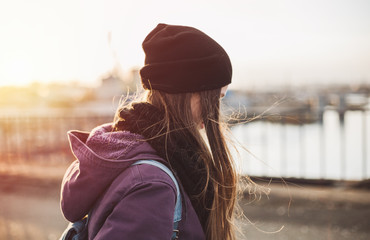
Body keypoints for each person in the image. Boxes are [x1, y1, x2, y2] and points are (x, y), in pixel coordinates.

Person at [60, 23, 237, 240]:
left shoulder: (131, 145)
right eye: (216, 99)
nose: (215, 112)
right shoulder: (153, 186)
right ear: (188, 93)